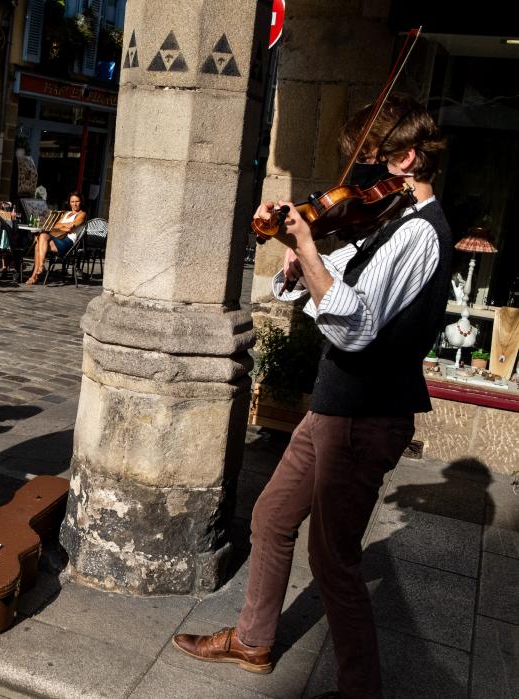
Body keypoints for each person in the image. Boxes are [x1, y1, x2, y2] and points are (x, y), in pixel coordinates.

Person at [171, 94, 452, 699]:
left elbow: (355, 325)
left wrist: (308, 249)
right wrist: (301, 252)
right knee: (272, 517)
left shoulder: (421, 235)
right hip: (333, 408)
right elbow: (332, 284)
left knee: (334, 563)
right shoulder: (388, 222)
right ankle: (254, 639)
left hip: (364, 415)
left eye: (376, 161)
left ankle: (359, 689)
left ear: (406, 158)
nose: (367, 174)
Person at [25, 191, 85, 286]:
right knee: (38, 244)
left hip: (67, 243)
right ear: (69, 202)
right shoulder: (66, 214)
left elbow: (71, 227)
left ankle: (38, 272)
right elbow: (55, 224)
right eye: (72, 201)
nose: (74, 204)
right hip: (58, 238)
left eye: (77, 201)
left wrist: (61, 226)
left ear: (81, 202)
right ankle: (36, 273)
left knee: (42, 236)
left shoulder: (82, 214)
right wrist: (63, 226)